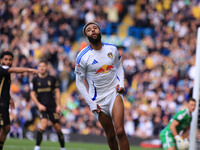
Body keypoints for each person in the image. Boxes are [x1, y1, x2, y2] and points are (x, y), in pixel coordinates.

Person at [75, 22, 130, 150]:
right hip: (98, 100)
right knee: (110, 135)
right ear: (87, 36)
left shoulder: (112, 48)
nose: (93, 30)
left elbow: (119, 66)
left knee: (120, 131)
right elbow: (79, 82)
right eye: (89, 30)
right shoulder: (82, 57)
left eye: (95, 28)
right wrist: (91, 103)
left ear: (100, 32)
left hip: (114, 93)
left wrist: (121, 84)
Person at [0, 51, 38, 150]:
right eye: (6, 59)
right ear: (1, 60)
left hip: (4, 103)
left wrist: (10, 99)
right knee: (2, 127)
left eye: (10, 59)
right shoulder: (2, 69)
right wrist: (30, 70)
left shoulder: (5, 72)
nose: (8, 61)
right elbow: (14, 70)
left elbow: (3, 88)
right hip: (0, 104)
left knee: (7, 128)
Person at [30, 59, 65, 150]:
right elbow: (32, 94)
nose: (41, 68)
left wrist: (59, 105)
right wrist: (38, 105)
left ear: (47, 67)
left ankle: (62, 148)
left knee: (58, 128)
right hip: (42, 107)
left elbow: (57, 91)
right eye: (40, 66)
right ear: (38, 67)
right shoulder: (35, 80)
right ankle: (37, 147)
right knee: (44, 124)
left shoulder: (52, 79)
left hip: (53, 107)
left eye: (43, 66)